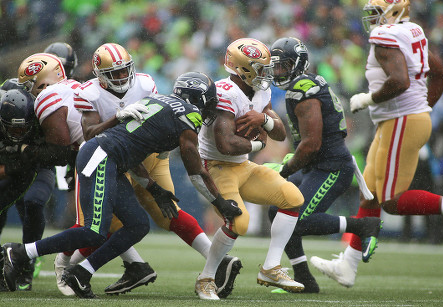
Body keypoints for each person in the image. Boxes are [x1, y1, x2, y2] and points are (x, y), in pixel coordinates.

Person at [2, 71, 242, 299]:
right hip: (101, 157)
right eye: (209, 101)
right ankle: (21, 252)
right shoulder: (188, 114)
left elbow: (131, 148)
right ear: (197, 98)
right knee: (94, 231)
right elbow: (197, 172)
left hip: (110, 158)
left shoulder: (158, 101)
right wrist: (220, 203)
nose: (211, 107)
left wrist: (154, 188)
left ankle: (81, 273)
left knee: (138, 225)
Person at [68, 43, 242, 298]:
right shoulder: (88, 93)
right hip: (108, 151)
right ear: (99, 74)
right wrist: (118, 115)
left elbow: (167, 120)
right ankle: (129, 266)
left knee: (164, 212)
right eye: (113, 73)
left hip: (145, 153)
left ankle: (79, 266)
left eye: (123, 71)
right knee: (107, 220)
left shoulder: (146, 83)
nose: (120, 77)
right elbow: (90, 133)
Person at [310, 0, 443, 288]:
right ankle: (347, 267)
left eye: (376, 13)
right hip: (398, 120)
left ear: (395, 12)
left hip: (402, 120)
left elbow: (400, 81)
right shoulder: (413, 32)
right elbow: (439, 73)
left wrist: (368, 99)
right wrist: (423, 108)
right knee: (370, 194)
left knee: (391, 200)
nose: (372, 20)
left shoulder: (386, 37)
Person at [263, 37, 382, 293]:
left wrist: (286, 169)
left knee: (296, 219)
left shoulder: (303, 89)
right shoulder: (305, 84)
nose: (278, 72)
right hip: (316, 166)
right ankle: (304, 278)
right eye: (275, 67)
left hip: (331, 167)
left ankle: (361, 226)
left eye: (283, 66)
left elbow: (312, 144)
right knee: (277, 211)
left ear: (298, 65)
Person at [195, 38, 305, 300]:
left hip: (243, 165)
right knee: (239, 221)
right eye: (260, 68)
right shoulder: (224, 92)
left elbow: (278, 133)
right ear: (243, 69)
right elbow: (225, 144)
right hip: (217, 167)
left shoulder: (260, 91)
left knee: (293, 198)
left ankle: (271, 267)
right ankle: (206, 278)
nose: (267, 73)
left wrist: (264, 119)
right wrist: (257, 143)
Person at [0, 88, 56, 291]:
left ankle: (27, 263)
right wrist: (10, 167)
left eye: (23, 129)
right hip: (12, 167)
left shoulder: (44, 118)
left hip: (39, 165)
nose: (19, 134)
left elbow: (57, 154)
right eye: (13, 130)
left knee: (34, 201)